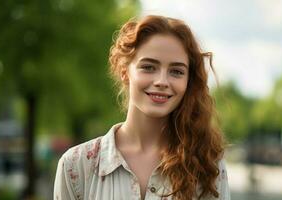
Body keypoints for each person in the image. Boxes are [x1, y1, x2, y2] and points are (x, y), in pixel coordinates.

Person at [54, 15, 231, 200]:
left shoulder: (208, 166)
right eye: (148, 67)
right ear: (125, 72)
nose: (162, 81)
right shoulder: (76, 165)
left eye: (176, 71)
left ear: (188, 81)